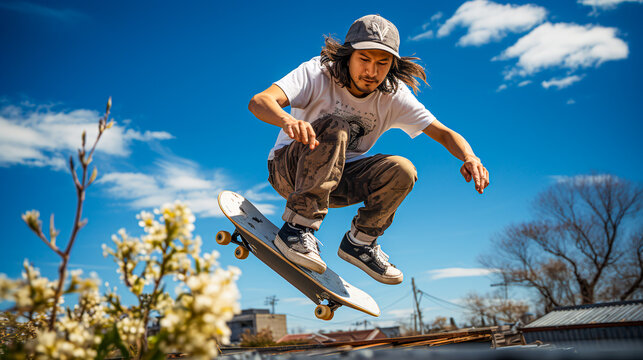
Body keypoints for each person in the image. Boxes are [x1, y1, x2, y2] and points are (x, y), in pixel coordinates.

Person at [248, 15, 489, 285]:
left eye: (382, 63)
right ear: (348, 56)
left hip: (337, 182)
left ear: (392, 66)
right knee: (335, 127)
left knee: (402, 170)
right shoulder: (318, 72)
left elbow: (444, 133)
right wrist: (288, 120)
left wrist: (470, 156)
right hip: (289, 171)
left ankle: (361, 242)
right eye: (364, 60)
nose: (371, 72)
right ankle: (297, 228)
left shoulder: (394, 95)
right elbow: (260, 101)